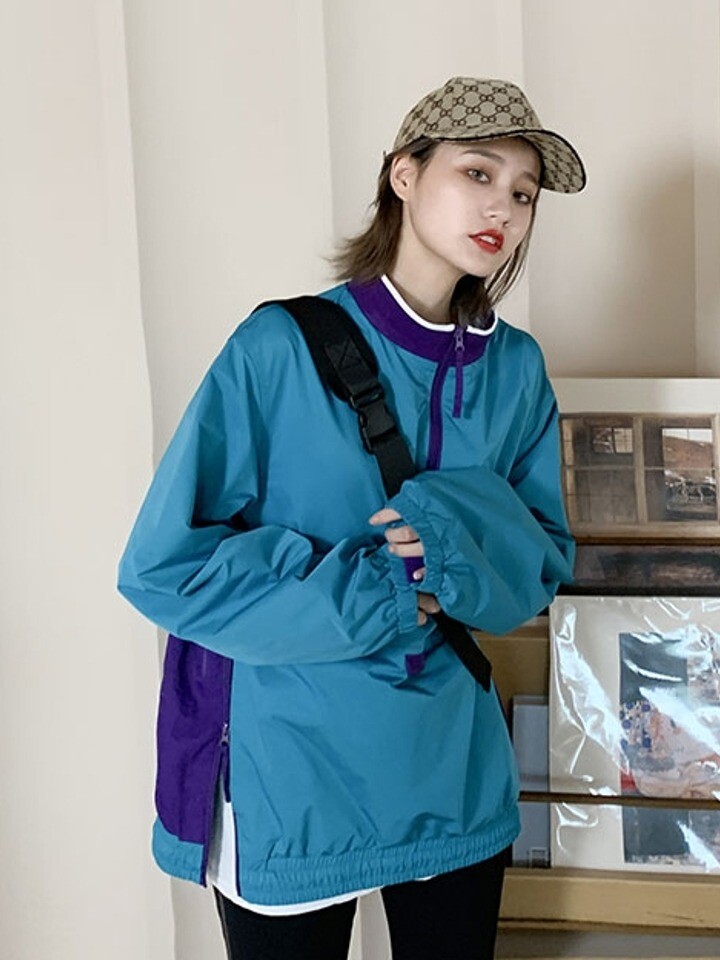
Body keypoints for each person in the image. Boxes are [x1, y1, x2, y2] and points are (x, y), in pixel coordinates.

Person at [118, 76, 586, 960]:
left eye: (524, 193)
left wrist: (453, 550)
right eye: (478, 173)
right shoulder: (279, 348)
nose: (505, 208)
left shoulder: (516, 370)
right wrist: (383, 590)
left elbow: (540, 561)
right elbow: (165, 565)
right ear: (404, 175)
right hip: (293, 760)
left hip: (451, 757)